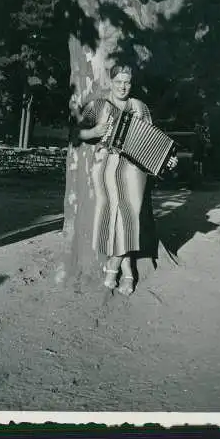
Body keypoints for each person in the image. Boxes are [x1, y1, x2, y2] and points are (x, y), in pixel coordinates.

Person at [71, 65, 177, 296]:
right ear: (111, 82)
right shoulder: (98, 105)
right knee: (111, 214)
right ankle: (127, 266)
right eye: (118, 81)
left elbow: (152, 140)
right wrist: (96, 131)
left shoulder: (140, 107)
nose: (123, 86)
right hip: (106, 166)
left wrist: (166, 158)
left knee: (131, 215)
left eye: (127, 82)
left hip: (134, 170)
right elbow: (77, 133)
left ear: (132, 83)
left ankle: (116, 264)